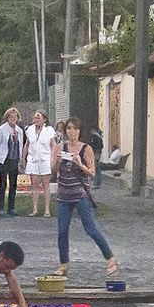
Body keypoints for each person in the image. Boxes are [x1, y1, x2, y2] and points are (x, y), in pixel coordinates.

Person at [49, 119, 120, 280]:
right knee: (62, 231)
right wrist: (58, 162)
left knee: (90, 228)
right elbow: (53, 172)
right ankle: (63, 265)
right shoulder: (60, 148)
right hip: (64, 195)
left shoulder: (86, 149)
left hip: (80, 194)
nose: (72, 132)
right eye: (69, 128)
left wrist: (80, 164)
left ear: (80, 131)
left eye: (75, 129)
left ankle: (110, 259)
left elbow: (92, 173)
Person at [0, 107, 23, 217]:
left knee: (13, 184)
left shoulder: (19, 131)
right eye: (11, 117)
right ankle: (0, 208)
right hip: (3, 159)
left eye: (15, 117)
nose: (13, 119)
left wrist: (21, 161)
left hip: (14, 160)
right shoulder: (1, 129)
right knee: (3, 184)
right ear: (7, 118)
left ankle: (11, 208)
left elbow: (20, 147)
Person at [22, 111, 54, 216]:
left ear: (44, 119)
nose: (36, 120)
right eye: (35, 118)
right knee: (34, 184)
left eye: (39, 118)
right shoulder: (30, 130)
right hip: (33, 159)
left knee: (45, 184)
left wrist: (53, 159)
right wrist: (23, 158)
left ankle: (47, 209)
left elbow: (53, 146)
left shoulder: (49, 130)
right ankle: (35, 209)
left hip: (45, 159)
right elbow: (26, 145)